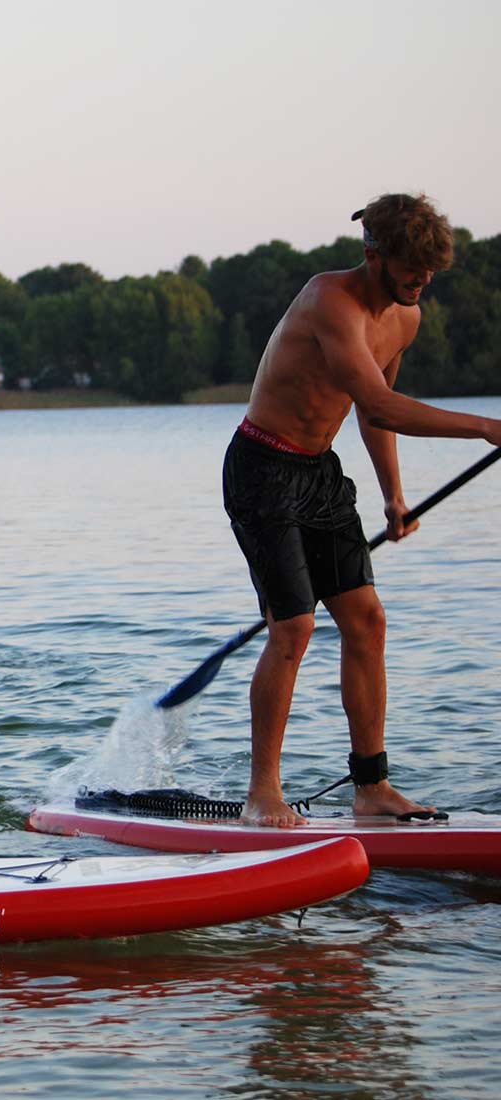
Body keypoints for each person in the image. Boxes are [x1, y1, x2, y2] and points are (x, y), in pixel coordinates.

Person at [223, 193, 501, 827]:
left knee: (367, 621)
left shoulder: (405, 318)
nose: (421, 280)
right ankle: (263, 791)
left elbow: (377, 408)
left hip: (319, 474)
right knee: (292, 629)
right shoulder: (329, 300)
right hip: (262, 468)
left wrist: (393, 495)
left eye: (430, 272)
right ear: (373, 253)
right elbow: (378, 405)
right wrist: (487, 426)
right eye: (411, 267)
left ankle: (371, 787)